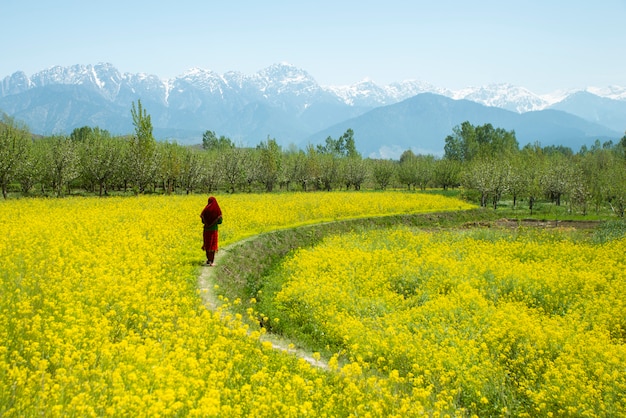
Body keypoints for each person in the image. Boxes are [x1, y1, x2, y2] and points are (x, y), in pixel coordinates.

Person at [200, 196, 222, 266]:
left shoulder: (205, 210)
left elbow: (203, 221)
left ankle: (208, 260)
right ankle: (212, 261)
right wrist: (214, 223)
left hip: (206, 230)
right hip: (213, 230)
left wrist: (207, 223)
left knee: (207, 244)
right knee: (212, 245)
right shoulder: (217, 210)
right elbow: (220, 221)